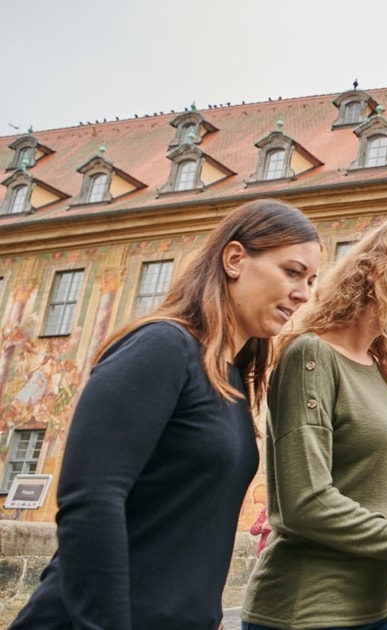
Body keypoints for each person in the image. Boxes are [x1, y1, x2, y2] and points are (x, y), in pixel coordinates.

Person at [11, 199, 321, 630]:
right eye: (292, 272)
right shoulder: (163, 347)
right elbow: (91, 501)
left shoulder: (229, 377)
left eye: (310, 280)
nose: (304, 293)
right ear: (235, 259)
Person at [239, 218, 387, 630]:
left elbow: (383, 498)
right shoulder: (311, 357)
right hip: (310, 610)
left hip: (374, 609)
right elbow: (306, 503)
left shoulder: (381, 368)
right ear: (382, 275)